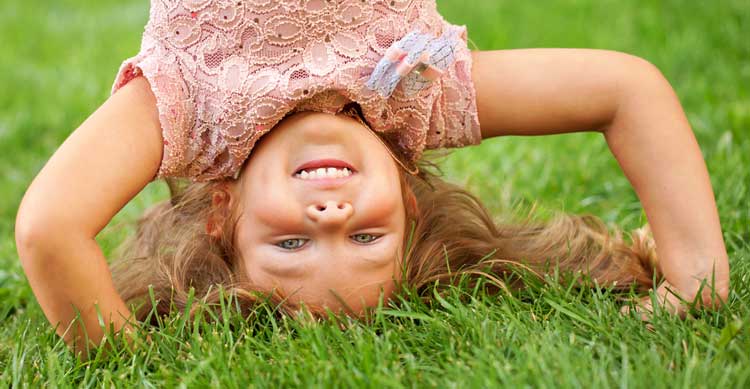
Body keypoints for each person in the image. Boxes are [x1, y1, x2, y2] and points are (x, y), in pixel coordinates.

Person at [14, 0, 729, 356]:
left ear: (221, 212)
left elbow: (50, 228)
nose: (328, 214)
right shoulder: (422, 97)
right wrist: (695, 274)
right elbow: (626, 91)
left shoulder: (185, 111)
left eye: (289, 245)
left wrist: (124, 359)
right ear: (409, 198)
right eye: (367, 233)